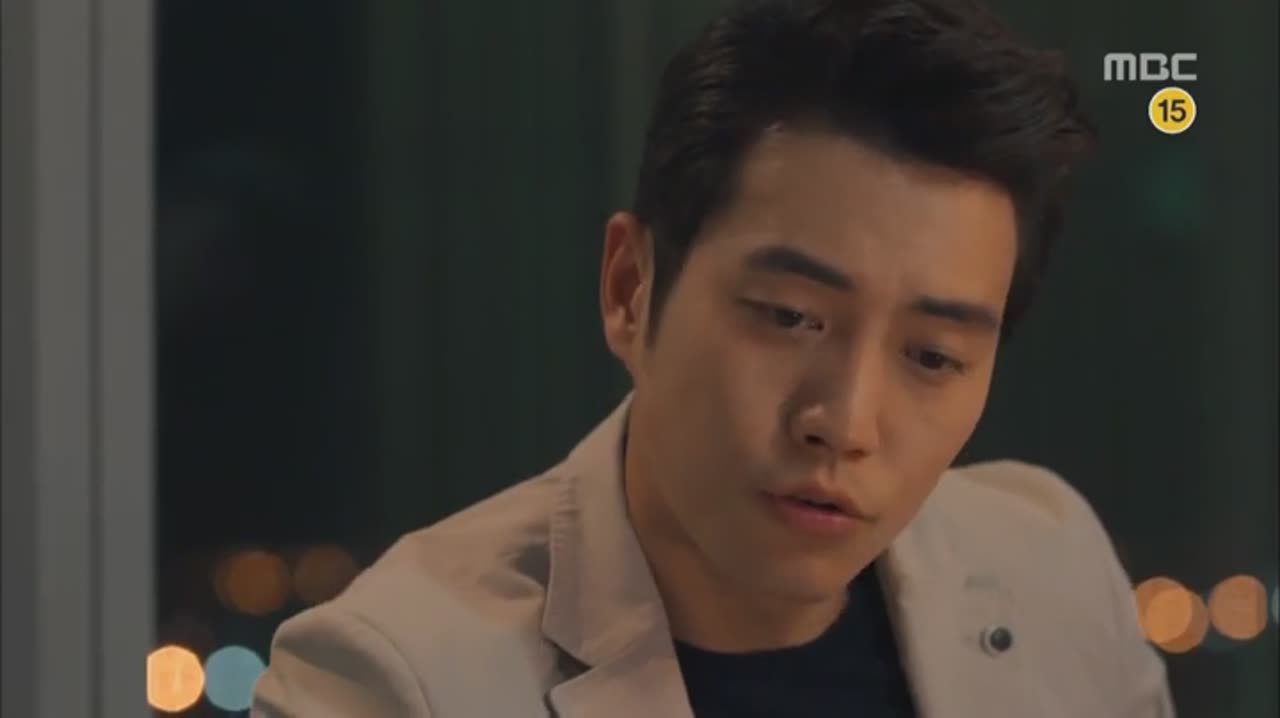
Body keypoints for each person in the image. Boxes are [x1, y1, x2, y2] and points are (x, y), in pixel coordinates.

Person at [253, 0, 1175, 715]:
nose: (845, 422)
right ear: (630, 288)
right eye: (790, 316)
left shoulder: (1047, 562)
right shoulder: (398, 680)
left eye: (932, 357)